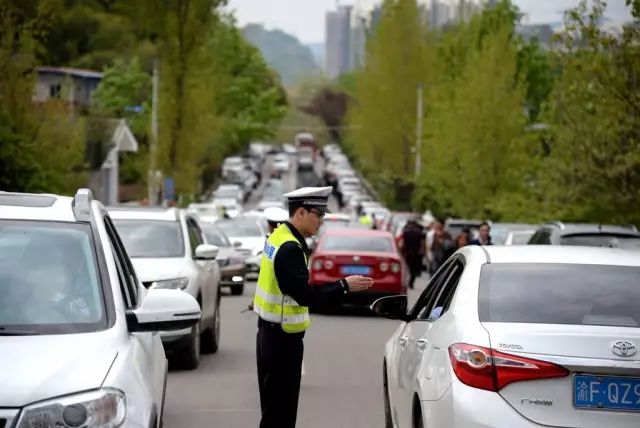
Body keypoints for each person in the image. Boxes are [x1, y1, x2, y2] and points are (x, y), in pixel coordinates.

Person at [253, 186, 373, 428]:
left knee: (274, 410)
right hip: (281, 340)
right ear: (300, 213)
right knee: (280, 414)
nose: (320, 221)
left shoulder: (278, 237)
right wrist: (344, 286)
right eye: (318, 215)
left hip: (270, 334)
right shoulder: (289, 248)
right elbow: (305, 295)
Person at [399, 219, 426, 289]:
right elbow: (422, 243)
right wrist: (422, 251)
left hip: (407, 253)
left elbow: (402, 243)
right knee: (414, 269)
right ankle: (411, 282)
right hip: (416, 253)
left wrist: (400, 252)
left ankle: (407, 282)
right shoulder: (419, 233)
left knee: (407, 268)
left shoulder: (405, 232)